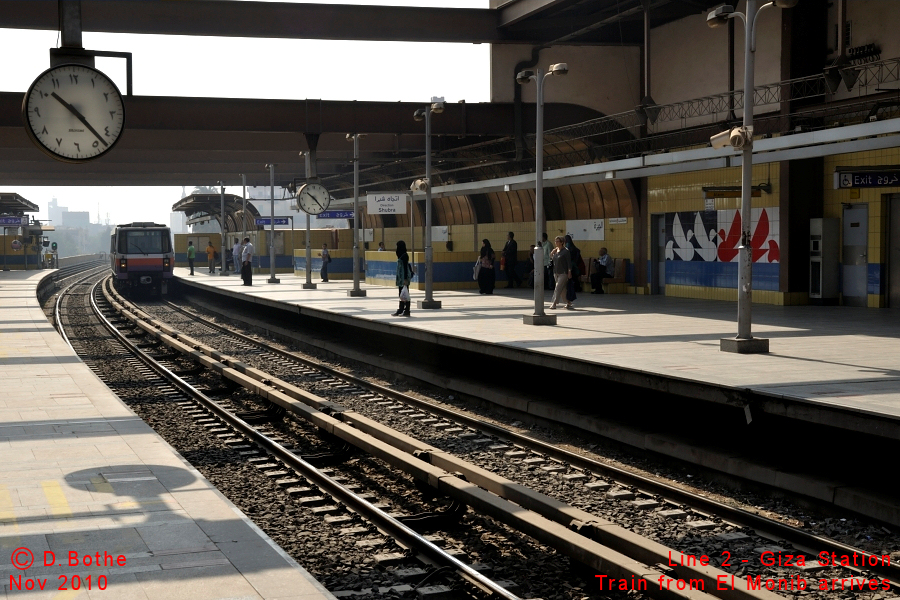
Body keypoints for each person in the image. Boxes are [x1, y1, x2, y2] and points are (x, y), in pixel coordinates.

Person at [549, 236, 573, 310]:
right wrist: (552, 253)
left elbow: (569, 263)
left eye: (558, 241)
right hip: (556, 272)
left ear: (562, 242)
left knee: (558, 287)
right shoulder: (556, 250)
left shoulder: (566, 251)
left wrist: (569, 272)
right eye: (555, 241)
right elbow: (553, 259)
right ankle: (568, 302)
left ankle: (554, 303)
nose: (556, 243)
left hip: (563, 272)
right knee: (562, 289)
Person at [392, 240, 413, 317]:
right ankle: (403, 309)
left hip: (403, 279)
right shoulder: (402, 255)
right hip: (401, 278)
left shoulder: (404, 256)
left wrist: (405, 279)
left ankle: (404, 309)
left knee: (404, 294)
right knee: (402, 294)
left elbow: (404, 268)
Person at [565, 234, 584, 299]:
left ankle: (574, 288)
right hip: (575, 264)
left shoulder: (567, 247)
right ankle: (577, 287)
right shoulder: (574, 247)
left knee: (571, 277)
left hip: (571, 264)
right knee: (574, 277)